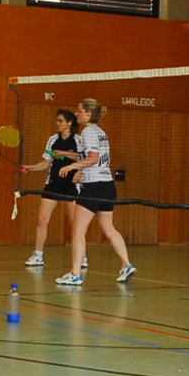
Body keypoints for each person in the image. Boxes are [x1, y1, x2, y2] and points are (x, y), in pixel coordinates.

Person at [56, 97, 135, 288]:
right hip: (108, 186)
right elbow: (88, 157)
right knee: (108, 228)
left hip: (94, 187)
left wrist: (73, 167)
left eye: (79, 110)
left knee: (77, 231)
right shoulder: (100, 132)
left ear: (88, 113)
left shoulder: (88, 131)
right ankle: (127, 265)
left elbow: (93, 157)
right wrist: (76, 165)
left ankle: (75, 274)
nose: (76, 113)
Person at [22, 108, 80, 268]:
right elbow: (46, 163)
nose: (57, 123)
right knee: (42, 220)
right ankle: (38, 255)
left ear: (69, 123)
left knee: (75, 224)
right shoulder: (52, 139)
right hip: (53, 184)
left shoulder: (79, 140)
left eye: (61, 121)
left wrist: (64, 154)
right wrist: (31, 167)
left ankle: (81, 256)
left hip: (72, 186)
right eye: (57, 121)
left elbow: (83, 157)